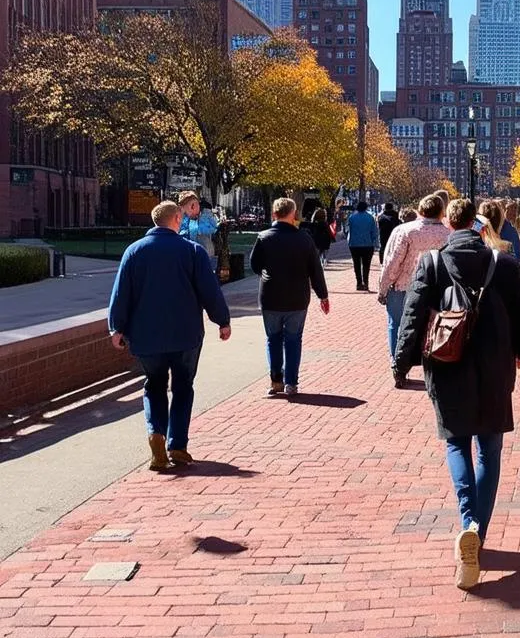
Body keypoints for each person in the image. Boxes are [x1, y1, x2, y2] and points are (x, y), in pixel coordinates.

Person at [394, 198, 520, 590]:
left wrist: (401, 362)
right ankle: (480, 532)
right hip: (494, 366)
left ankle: (467, 522)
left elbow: (412, 314)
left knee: (457, 443)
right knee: (489, 449)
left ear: (447, 223)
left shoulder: (433, 263)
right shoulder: (503, 263)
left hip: (447, 363)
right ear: (476, 225)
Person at [108, 200, 231, 470]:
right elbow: (210, 291)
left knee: (154, 385)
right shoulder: (192, 251)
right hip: (185, 334)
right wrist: (222, 321)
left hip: (146, 335)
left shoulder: (134, 251)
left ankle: (156, 434)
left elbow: (121, 293)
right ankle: (177, 445)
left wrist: (116, 327)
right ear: (177, 218)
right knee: (183, 387)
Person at [250, 198, 330, 396]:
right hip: (297, 297)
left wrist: (267, 273)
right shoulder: (304, 239)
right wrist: (323, 295)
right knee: (294, 340)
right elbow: (315, 270)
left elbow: (254, 265)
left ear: (274, 214)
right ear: (293, 214)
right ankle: (291, 382)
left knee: (273, 339)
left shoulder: (264, 237)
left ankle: (276, 380)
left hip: (271, 296)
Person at [377, 193, 451, 376]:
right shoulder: (449, 234)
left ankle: (398, 365)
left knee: (397, 325)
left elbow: (392, 262)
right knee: (433, 325)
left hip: (403, 285)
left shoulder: (405, 231)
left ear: (420, 210)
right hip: (435, 288)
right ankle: (434, 366)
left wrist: (383, 287)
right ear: (441, 212)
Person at [177, 191, 219, 268]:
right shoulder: (181, 218)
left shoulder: (205, 215)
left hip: (204, 254)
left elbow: (213, 228)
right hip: (187, 256)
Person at [345, 200, 379, 291]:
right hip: (367, 244)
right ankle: (366, 282)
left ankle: (359, 283)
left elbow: (347, 229)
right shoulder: (370, 218)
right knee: (366, 265)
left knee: (356, 264)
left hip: (354, 244)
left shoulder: (352, 217)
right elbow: (374, 232)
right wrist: (374, 243)